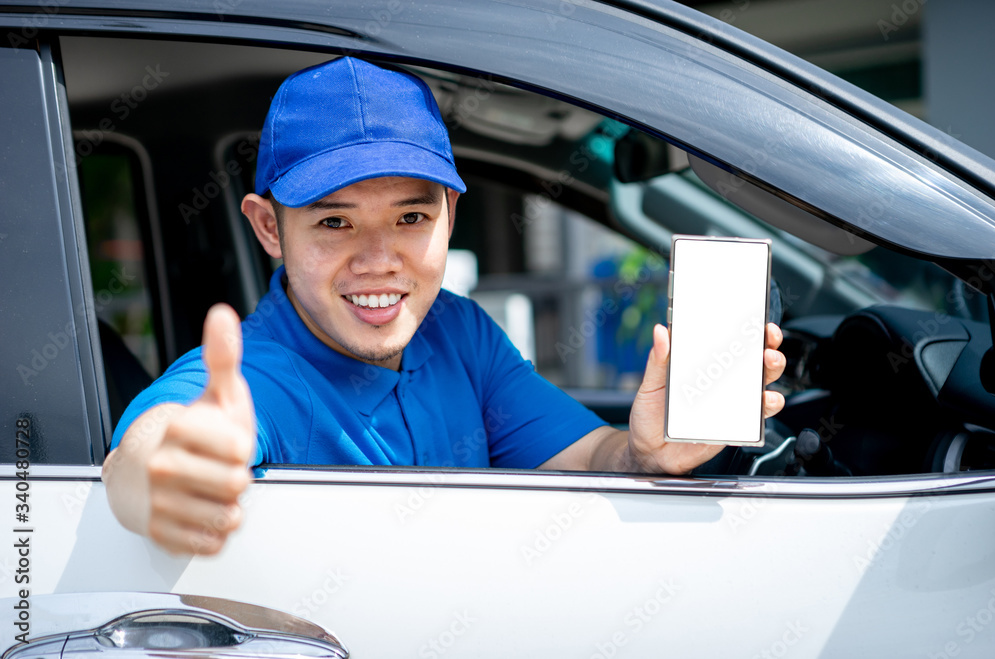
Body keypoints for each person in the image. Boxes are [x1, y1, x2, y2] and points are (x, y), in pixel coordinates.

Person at [102, 57, 786, 555]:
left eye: (409, 217)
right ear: (270, 228)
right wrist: (171, 475)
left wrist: (644, 448)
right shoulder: (258, 379)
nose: (379, 260)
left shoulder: (458, 332)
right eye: (334, 223)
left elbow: (590, 456)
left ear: (450, 215)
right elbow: (149, 452)